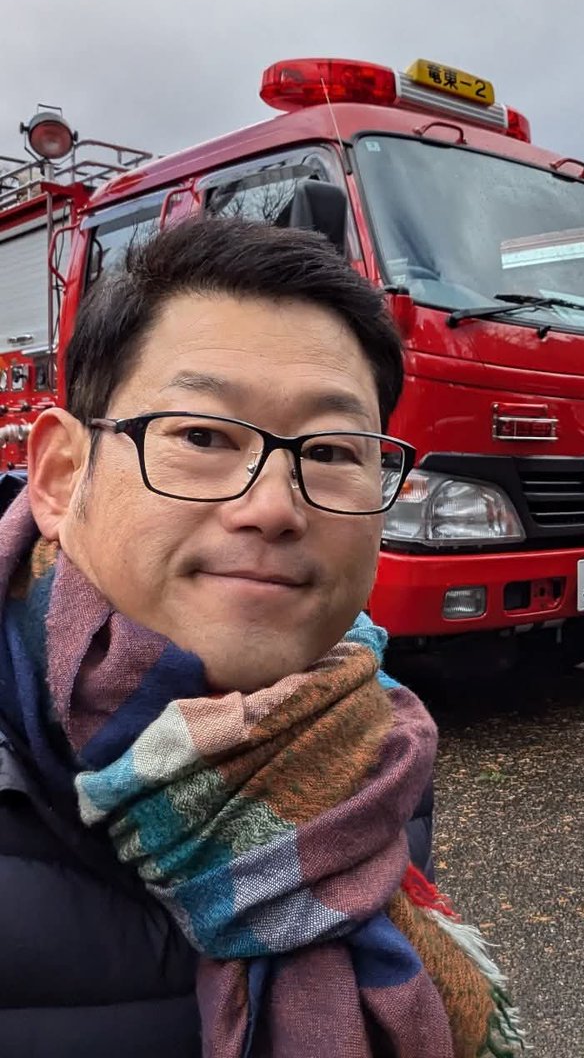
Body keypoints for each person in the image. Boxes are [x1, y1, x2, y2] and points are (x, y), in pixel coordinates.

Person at [0, 217, 524, 1057]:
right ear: (63, 475)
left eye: (331, 450)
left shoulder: (365, 746)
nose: (277, 507)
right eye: (203, 436)